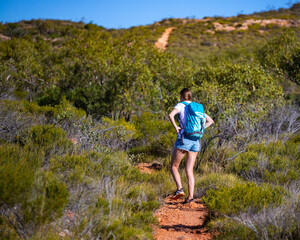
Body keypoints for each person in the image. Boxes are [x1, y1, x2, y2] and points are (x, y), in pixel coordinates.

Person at [168, 88, 214, 203]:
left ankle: (179, 189)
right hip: (196, 140)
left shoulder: (180, 105)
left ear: (181, 96)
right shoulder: (197, 107)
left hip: (184, 139)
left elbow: (170, 115)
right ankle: (190, 198)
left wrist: (176, 127)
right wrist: (200, 130)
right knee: (189, 170)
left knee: (174, 167)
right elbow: (210, 121)